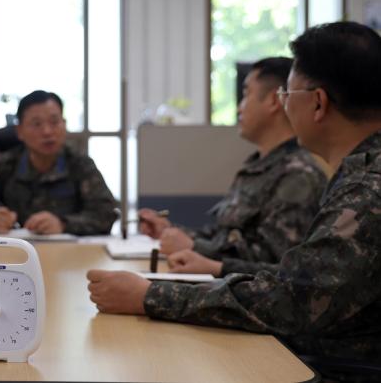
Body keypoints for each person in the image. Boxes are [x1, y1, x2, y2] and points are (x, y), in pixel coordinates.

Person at [88, 21, 381, 377]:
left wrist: (150, 296)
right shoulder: (360, 174)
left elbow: (294, 300)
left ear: (317, 103)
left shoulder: (366, 191)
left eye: (288, 96)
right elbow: (300, 275)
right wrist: (216, 269)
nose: (286, 108)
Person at [140, 57, 327, 276]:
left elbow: (279, 265)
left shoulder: (297, 175)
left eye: (246, 94)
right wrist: (171, 231)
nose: (240, 107)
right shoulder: (257, 166)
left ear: (274, 101)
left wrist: (194, 248)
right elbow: (226, 237)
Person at [0, 90, 118, 236]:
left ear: (64, 125)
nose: (47, 131)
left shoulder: (81, 164)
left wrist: (64, 224)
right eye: (37, 124)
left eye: (54, 122)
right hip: (13, 257)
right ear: (19, 131)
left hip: (67, 256)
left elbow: (107, 214)